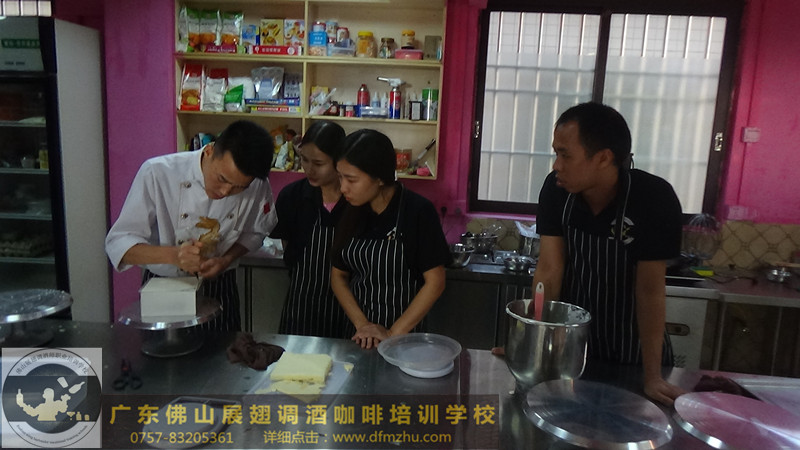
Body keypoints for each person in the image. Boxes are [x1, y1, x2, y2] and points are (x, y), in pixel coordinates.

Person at [532, 102, 686, 406]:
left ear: (603, 158)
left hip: (635, 356)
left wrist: (653, 377)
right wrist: (535, 342)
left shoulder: (654, 198)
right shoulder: (556, 191)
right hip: (574, 351)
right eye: (556, 153)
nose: (556, 165)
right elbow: (549, 270)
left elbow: (650, 291)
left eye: (565, 155)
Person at [105, 120, 277, 331]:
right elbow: (119, 242)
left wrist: (225, 260)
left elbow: (256, 231)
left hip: (220, 285)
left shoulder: (257, 184)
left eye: (238, 188)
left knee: (223, 349)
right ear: (210, 150)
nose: (225, 191)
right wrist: (174, 256)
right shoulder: (158, 172)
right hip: (163, 287)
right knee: (164, 352)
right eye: (222, 179)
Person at [330, 129, 450, 349]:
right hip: (358, 336)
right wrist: (363, 325)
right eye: (340, 177)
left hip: (405, 340)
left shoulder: (417, 211)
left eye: (351, 179)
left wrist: (392, 334)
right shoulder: (348, 209)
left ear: (379, 178)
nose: (343, 187)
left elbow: (435, 281)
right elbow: (338, 276)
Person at [271, 121, 349, 338]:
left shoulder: (355, 199)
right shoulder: (292, 196)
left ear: (339, 160)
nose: (309, 169)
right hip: (301, 305)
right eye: (304, 159)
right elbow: (288, 246)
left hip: (349, 307)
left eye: (319, 163)